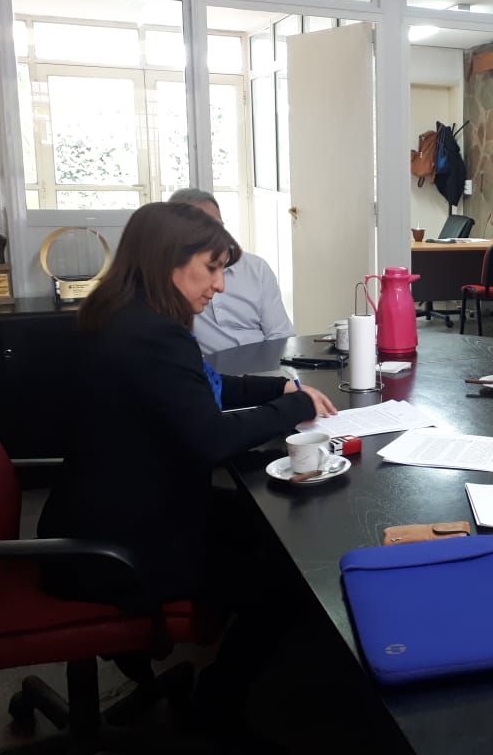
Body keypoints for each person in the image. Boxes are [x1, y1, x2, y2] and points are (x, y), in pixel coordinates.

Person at [38, 202, 336, 606]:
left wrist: (277, 390)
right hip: (122, 549)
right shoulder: (154, 335)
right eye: (211, 268)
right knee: (286, 556)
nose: (220, 285)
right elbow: (212, 440)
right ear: (167, 260)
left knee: (260, 520)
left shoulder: (122, 315)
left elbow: (197, 385)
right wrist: (297, 407)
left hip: (97, 516)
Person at [168, 187, 294, 354]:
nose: (215, 236)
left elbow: (280, 335)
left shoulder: (256, 268)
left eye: (218, 227)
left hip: (264, 364)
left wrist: (274, 368)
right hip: (211, 367)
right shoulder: (172, 276)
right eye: (203, 229)